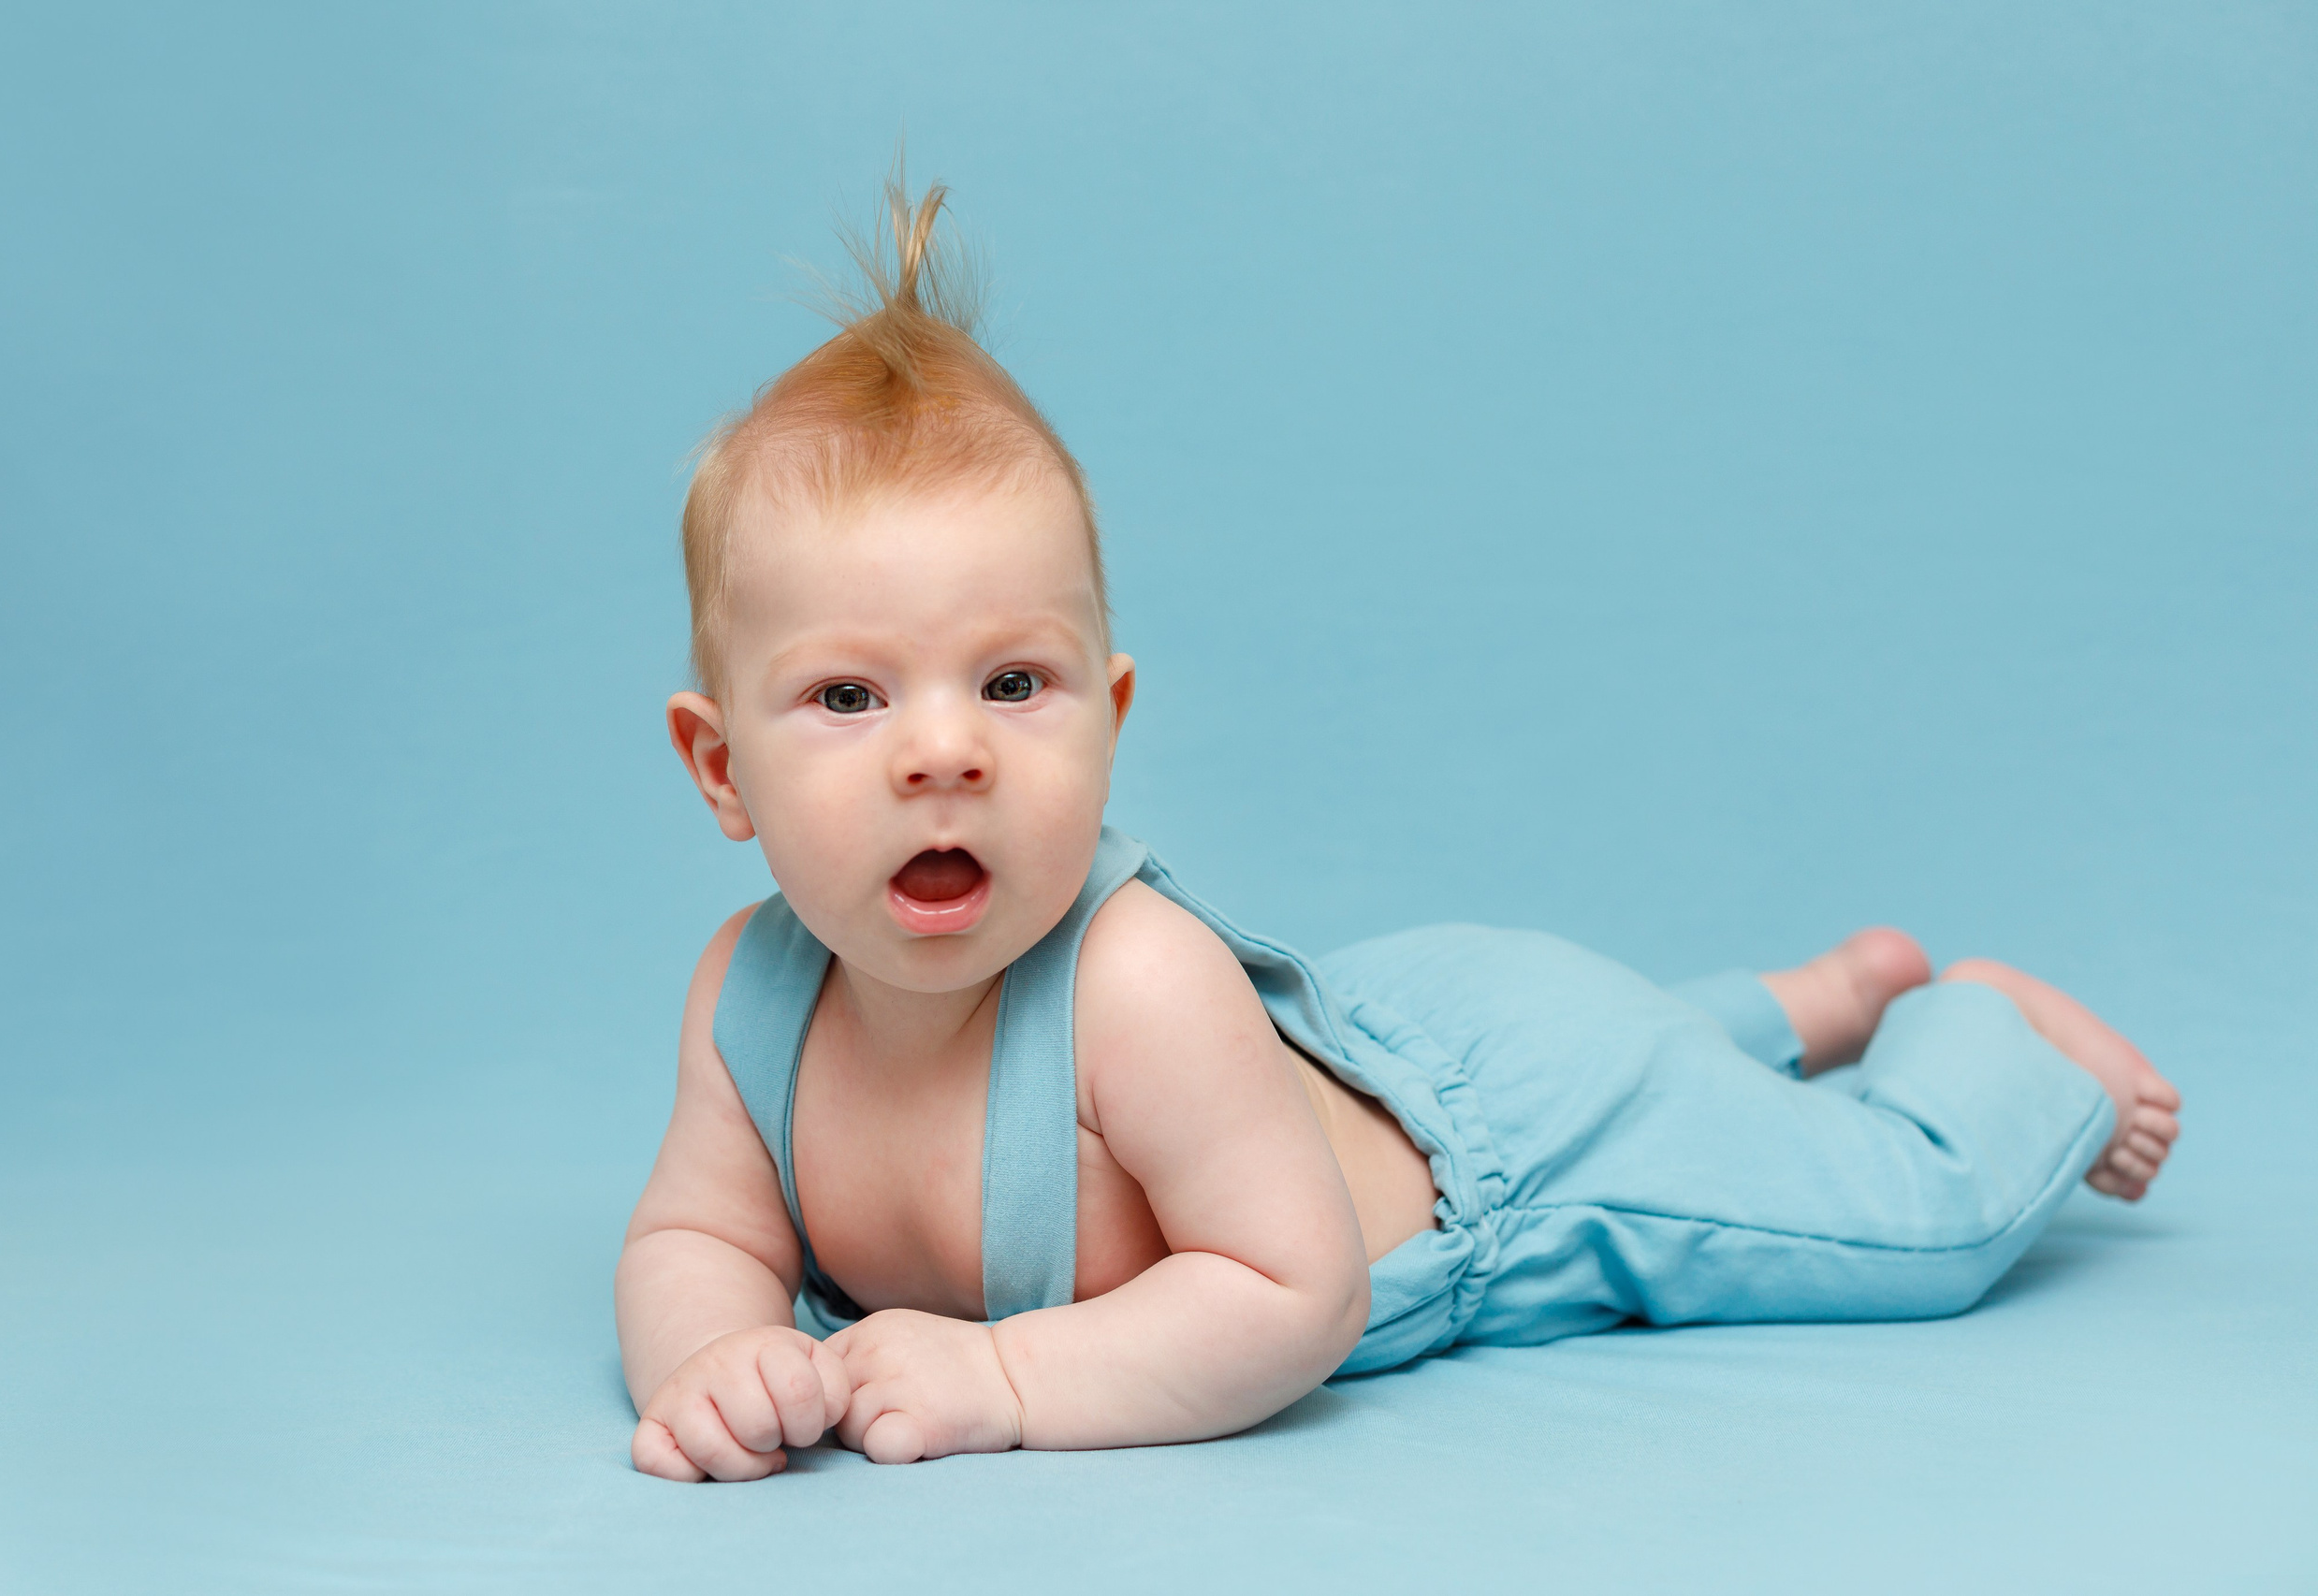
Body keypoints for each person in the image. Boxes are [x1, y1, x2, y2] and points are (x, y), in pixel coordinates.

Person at [614, 176, 2181, 1483]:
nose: (942, 752)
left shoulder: (1137, 990)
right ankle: (1814, 998)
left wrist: (1011, 1377)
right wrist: (710, 1358)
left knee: (1908, 1225)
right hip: (1382, 1026)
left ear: (1112, 710)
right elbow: (697, 1228)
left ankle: (1981, 1030)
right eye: (845, 698)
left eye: (1014, 680)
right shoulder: (747, 1001)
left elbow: (1293, 1295)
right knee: (1647, 1037)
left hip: (1515, 1163)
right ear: (719, 766)